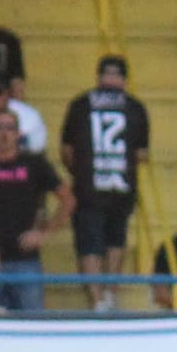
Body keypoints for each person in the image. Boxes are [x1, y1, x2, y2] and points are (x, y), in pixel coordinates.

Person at [59, 54, 148, 313]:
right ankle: (110, 294)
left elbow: (66, 150)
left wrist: (82, 170)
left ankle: (97, 300)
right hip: (121, 184)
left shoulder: (80, 104)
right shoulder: (135, 107)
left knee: (90, 243)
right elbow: (142, 154)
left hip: (89, 185)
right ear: (124, 80)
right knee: (115, 241)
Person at [0, 109, 69, 311]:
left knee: (33, 329)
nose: (4, 134)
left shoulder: (35, 164)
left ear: (19, 134)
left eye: (10, 128)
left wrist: (45, 233)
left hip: (25, 260)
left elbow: (68, 199)